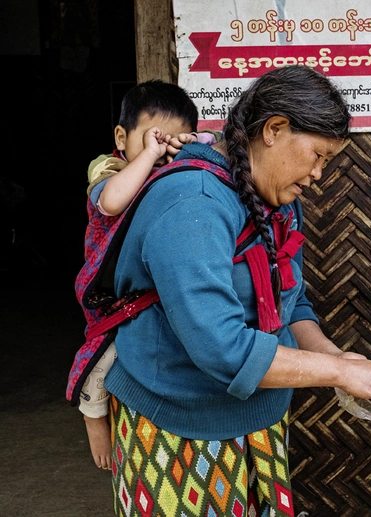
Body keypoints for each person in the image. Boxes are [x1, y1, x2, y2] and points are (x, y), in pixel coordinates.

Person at [101, 65, 371, 517]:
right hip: (176, 430)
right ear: (274, 130)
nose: (319, 173)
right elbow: (223, 349)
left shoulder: (279, 201)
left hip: (257, 423)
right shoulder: (192, 203)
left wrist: (336, 357)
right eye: (317, 155)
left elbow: (291, 301)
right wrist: (335, 373)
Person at [77, 79, 218, 471]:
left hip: (152, 284)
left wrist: (188, 146)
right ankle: (93, 416)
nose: (160, 151)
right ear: (121, 137)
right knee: (101, 359)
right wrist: (152, 154)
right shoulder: (109, 169)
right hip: (110, 289)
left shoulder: (180, 169)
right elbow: (112, 202)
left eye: (171, 141)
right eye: (151, 138)